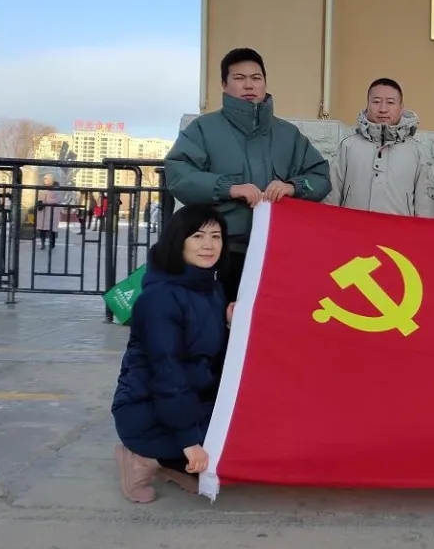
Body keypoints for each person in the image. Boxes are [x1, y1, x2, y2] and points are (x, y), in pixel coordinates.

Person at [164, 47, 332, 302]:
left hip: (276, 251)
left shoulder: (288, 135)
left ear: (265, 83)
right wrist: (228, 188)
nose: (249, 85)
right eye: (239, 78)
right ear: (224, 84)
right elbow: (179, 175)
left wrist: (293, 187)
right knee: (218, 319)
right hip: (222, 252)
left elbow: (321, 177)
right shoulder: (204, 129)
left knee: (270, 319)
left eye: (256, 78)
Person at [111, 204, 234, 503]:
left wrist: (230, 325)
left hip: (190, 401)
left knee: (246, 427)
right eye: (198, 236)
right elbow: (167, 372)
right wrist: (189, 440)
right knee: (226, 439)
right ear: (178, 241)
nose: (208, 245)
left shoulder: (211, 288)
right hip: (146, 408)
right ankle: (140, 457)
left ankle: (174, 462)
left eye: (216, 236)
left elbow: (209, 357)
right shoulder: (159, 298)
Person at [326, 77, 434, 218]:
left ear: (401, 108)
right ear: (367, 105)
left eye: (390, 102)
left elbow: (426, 206)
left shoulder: (416, 152)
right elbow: (331, 195)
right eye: (376, 102)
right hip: (352, 227)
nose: (383, 109)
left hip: (398, 230)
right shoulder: (348, 146)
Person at [35, 174, 61, 250]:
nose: (45, 180)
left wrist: (46, 201)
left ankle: (52, 244)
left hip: (52, 211)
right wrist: (40, 202)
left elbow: (58, 199)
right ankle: (43, 244)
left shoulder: (56, 188)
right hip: (43, 211)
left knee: (51, 228)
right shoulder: (42, 188)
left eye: (46, 178)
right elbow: (39, 197)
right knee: (42, 229)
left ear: (51, 179)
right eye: (44, 178)